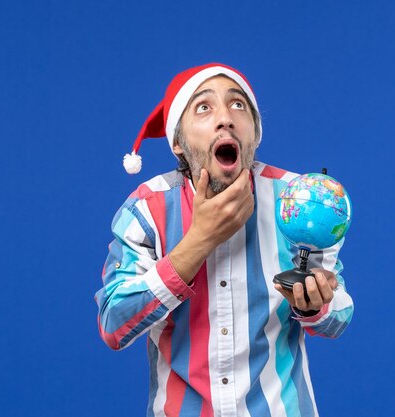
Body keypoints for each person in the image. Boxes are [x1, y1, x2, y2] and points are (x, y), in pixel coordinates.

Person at [95, 63, 354, 417]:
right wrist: (198, 241)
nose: (225, 119)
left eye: (238, 106)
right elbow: (113, 325)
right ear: (178, 143)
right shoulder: (147, 209)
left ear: (254, 133)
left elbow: (339, 315)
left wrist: (315, 305)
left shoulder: (298, 203)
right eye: (203, 107)